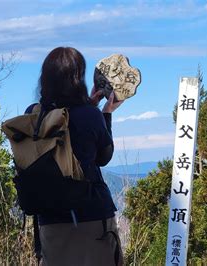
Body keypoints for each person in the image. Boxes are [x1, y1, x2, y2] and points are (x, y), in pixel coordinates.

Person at [26, 47, 124, 265]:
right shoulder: (90, 115)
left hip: (49, 220)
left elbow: (65, 119)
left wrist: (91, 105)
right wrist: (105, 113)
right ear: (77, 78)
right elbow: (103, 157)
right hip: (92, 217)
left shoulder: (33, 113)